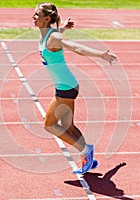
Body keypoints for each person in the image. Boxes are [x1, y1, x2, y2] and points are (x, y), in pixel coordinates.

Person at [33, 2, 116, 174]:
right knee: (68, 126)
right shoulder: (48, 34)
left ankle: (86, 151)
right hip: (66, 85)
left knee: (49, 125)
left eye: (37, 15)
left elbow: (76, 47)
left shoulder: (54, 37)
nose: (33, 17)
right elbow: (54, 38)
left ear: (47, 18)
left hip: (65, 87)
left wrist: (100, 55)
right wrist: (62, 28)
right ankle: (88, 159)